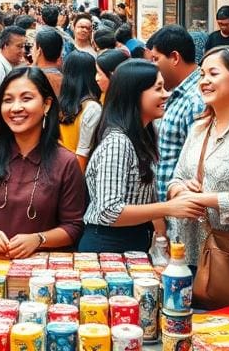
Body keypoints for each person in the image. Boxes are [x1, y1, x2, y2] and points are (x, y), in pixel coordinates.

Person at [0, 67, 86, 257]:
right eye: (8, 100)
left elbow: (73, 226)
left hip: (39, 270)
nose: (16, 107)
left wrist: (39, 239)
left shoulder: (65, 162)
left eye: (26, 99)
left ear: (47, 104)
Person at [80, 61, 205, 253]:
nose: (166, 94)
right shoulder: (118, 143)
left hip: (132, 241)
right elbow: (109, 211)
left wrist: (161, 235)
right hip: (108, 244)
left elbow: (146, 197)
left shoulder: (143, 134)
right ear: (134, 94)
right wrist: (168, 208)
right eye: (158, 88)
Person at [167, 47, 229, 269]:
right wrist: (181, 190)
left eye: (213, 74)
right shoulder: (199, 126)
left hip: (227, 255)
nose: (205, 81)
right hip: (183, 249)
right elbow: (175, 179)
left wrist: (204, 199)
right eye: (202, 74)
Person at [148, 25, 205, 202]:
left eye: (156, 59)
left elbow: (196, 162)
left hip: (180, 208)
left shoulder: (196, 99)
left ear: (174, 57)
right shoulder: (177, 93)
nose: (153, 66)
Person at [57, 50, 104, 172]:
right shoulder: (92, 108)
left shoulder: (61, 104)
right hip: (76, 173)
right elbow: (82, 154)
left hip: (59, 168)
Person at [33, 27, 64, 95]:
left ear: (39, 51)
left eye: (33, 46)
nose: (31, 50)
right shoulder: (64, 79)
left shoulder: (33, 80)